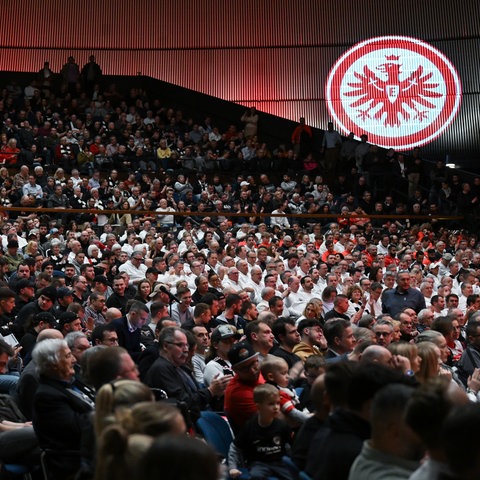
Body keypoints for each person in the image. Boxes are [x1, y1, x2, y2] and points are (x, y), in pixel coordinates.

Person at [32, 338, 94, 479]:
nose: (73, 359)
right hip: (76, 461)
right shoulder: (46, 396)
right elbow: (77, 429)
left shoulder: (73, 381)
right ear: (53, 364)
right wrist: (106, 411)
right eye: (67, 356)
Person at [144, 327, 230, 426]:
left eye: (186, 345)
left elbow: (195, 396)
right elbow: (185, 404)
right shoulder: (161, 369)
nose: (185, 350)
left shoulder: (182, 367)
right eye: (180, 345)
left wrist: (215, 392)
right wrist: (210, 391)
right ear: (165, 346)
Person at [348, 384, 423, 480]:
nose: (425, 435)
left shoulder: (369, 458)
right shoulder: (387, 477)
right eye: (418, 427)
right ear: (394, 432)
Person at [228, 383, 293, 480]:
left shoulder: (282, 425)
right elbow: (235, 447)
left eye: (278, 403)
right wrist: (232, 468)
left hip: (279, 462)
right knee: (256, 476)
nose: (276, 407)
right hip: (258, 463)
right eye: (271, 404)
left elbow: (290, 447)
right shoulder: (249, 426)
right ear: (258, 407)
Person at [224, 341, 265, 433]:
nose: (252, 371)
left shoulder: (262, 373)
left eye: (253, 363)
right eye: (244, 368)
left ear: (258, 359)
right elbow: (271, 421)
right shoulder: (237, 393)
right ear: (235, 370)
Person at [261, 354, 310, 426]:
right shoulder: (277, 393)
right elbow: (294, 414)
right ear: (271, 377)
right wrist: (312, 421)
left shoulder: (281, 387)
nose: (288, 376)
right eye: (283, 373)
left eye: (287, 372)